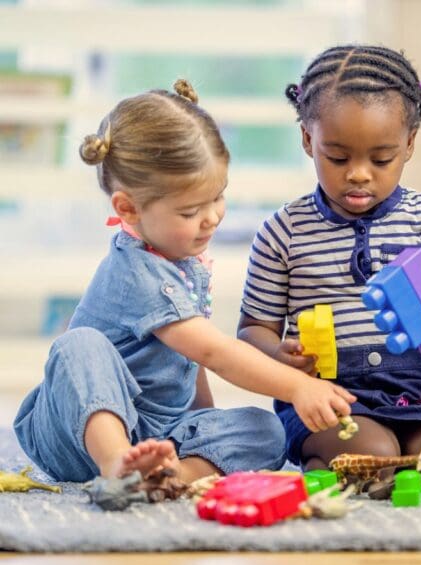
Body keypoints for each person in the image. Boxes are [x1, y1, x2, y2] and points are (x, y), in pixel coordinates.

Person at [14, 80, 356, 484]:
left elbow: (190, 361)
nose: (212, 217)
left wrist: (205, 426)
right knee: (78, 344)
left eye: (218, 197)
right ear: (128, 208)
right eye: (192, 209)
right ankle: (117, 465)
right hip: (76, 432)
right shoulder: (136, 271)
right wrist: (297, 386)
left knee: (269, 431)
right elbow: (214, 352)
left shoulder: (183, 261)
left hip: (157, 432)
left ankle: (171, 473)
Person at [237, 45, 421, 490]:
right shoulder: (283, 230)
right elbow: (252, 331)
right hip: (329, 396)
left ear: (409, 144)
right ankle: (340, 457)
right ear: (307, 140)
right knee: (373, 457)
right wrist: (280, 357)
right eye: (338, 158)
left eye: (380, 159)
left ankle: (398, 458)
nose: (358, 174)